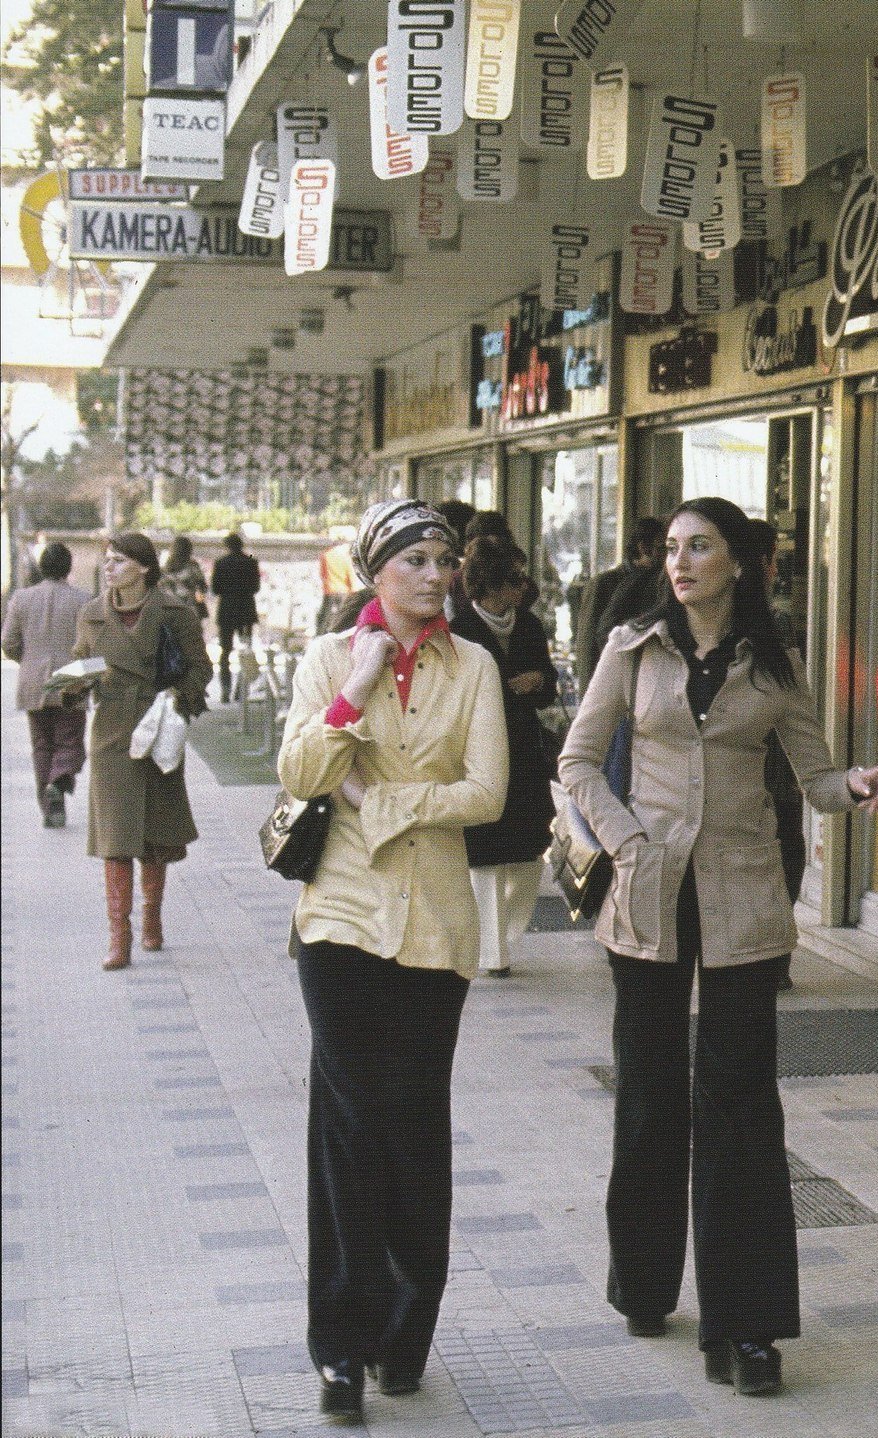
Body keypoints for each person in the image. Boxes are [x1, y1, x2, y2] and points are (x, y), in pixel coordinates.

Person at [559, 497, 878, 1397]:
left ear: (738, 562)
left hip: (745, 897)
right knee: (649, 1090)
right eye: (671, 547)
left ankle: (745, 1329)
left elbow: (814, 773)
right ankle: (641, 1280)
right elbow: (578, 761)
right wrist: (625, 838)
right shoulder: (632, 648)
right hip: (648, 894)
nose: (680, 561)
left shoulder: (774, 665)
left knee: (743, 1109)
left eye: (699, 547)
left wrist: (850, 785)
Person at [277, 500, 508, 1421]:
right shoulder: (333, 658)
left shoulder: (477, 665)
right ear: (376, 572)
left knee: (415, 1126)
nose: (433, 573)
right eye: (412, 558)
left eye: (443, 558)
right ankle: (340, 1348)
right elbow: (300, 773)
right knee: (348, 1124)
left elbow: (487, 793)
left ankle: (405, 1333)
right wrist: (356, 688)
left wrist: (385, 802)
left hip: (435, 927)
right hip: (338, 920)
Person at [71, 533, 212, 970]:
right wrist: (71, 680)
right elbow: (84, 661)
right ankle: (119, 937)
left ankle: (152, 917)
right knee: (114, 837)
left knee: (154, 834)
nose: (109, 567)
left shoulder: (175, 613)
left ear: (143, 568)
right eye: (107, 560)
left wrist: (175, 695)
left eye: (118, 561)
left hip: (158, 730)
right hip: (112, 732)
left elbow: (200, 668)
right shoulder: (92, 614)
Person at [451, 536, 559, 976]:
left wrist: (537, 682)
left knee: (531, 852)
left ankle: (503, 939)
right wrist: (504, 688)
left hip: (527, 752)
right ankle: (491, 953)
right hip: (479, 755)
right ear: (489, 586)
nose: (523, 587)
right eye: (513, 579)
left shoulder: (530, 626)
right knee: (485, 856)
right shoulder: (460, 632)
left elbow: (549, 683)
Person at [747, 518, 806, 991]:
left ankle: (766, 954)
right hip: (772, 767)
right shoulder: (774, 626)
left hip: (771, 767)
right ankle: (771, 956)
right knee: (783, 848)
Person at [1, 541, 91, 827]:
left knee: (41, 746)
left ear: (42, 567)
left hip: (34, 681)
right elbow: (93, 647)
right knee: (70, 741)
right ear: (68, 567)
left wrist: (27, 661)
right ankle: (58, 780)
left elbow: (8, 643)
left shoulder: (21, 598)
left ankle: (51, 808)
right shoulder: (84, 600)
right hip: (71, 679)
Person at [575, 517, 666, 687]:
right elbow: (587, 645)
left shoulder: (663, 583)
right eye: (663, 548)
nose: (667, 556)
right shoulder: (604, 583)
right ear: (644, 547)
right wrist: (589, 690)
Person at [210, 532, 261, 703]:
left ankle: (226, 689)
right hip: (246, 610)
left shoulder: (220, 563)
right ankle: (241, 690)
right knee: (245, 650)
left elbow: (215, 589)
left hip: (227, 610)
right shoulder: (251, 562)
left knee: (225, 651)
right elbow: (256, 587)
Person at [161, 535, 209, 618]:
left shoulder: (164, 570)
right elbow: (203, 587)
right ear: (189, 550)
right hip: (190, 610)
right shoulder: (192, 566)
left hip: (170, 610)